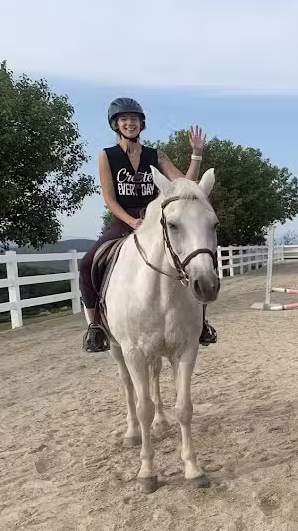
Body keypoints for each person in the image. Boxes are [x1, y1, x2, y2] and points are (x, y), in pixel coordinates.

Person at [80, 97, 218, 352]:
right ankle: (95, 326)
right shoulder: (106, 156)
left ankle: (201, 320)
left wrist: (196, 154)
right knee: (88, 262)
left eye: (134, 119)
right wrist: (131, 220)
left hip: (156, 219)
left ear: (141, 124)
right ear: (116, 125)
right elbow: (109, 198)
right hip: (125, 219)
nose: (129, 123)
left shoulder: (156, 155)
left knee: (199, 256)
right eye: (124, 119)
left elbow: (184, 186)